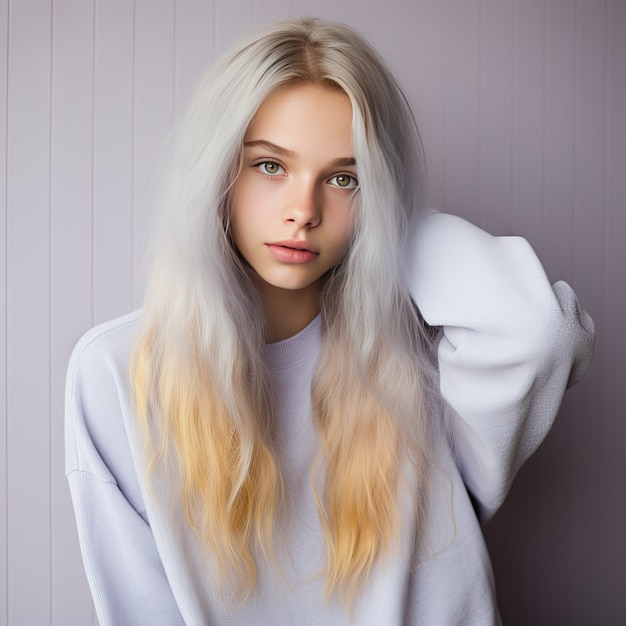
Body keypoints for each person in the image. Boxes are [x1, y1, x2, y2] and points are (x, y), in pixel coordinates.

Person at [65, 17, 594, 625]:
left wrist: (389, 219)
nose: (304, 211)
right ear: (216, 173)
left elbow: (542, 331)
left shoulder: (423, 353)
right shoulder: (116, 371)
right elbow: (140, 610)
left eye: (344, 178)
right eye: (270, 166)